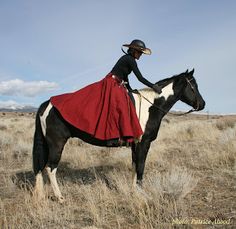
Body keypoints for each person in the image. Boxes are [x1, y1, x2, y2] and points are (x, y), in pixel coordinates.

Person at [50, 39, 162, 146]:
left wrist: (130, 89)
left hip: (118, 83)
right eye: (139, 52)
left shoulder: (129, 59)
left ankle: (121, 134)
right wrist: (153, 86)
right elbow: (140, 78)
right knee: (119, 105)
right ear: (133, 51)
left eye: (141, 53)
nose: (140, 55)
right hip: (112, 83)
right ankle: (112, 137)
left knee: (125, 101)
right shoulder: (129, 59)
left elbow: (125, 77)